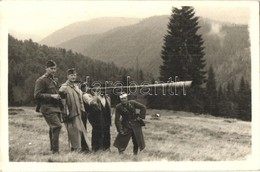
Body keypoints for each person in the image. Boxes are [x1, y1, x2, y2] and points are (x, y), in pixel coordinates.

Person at [34, 60, 62, 154]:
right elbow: (37, 95)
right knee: (57, 126)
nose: (53, 70)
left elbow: (58, 91)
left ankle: (53, 150)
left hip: (56, 107)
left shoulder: (55, 80)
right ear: (46, 69)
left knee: (53, 128)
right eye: (51, 68)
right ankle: (55, 151)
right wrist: (51, 96)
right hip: (47, 107)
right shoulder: (41, 80)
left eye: (55, 68)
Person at [59, 68, 90, 152]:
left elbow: (80, 100)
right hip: (70, 113)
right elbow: (62, 102)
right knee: (73, 131)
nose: (73, 77)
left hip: (79, 112)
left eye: (75, 75)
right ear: (67, 76)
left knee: (80, 130)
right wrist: (65, 113)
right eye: (71, 75)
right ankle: (76, 149)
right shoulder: (64, 87)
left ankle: (81, 148)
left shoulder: (76, 87)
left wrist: (83, 110)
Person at [82, 86, 112, 152]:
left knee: (107, 132)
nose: (102, 92)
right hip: (97, 118)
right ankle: (96, 148)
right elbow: (92, 105)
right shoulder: (94, 98)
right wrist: (96, 96)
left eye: (104, 90)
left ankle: (107, 147)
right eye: (100, 90)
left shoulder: (108, 98)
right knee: (97, 132)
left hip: (106, 118)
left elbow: (109, 108)